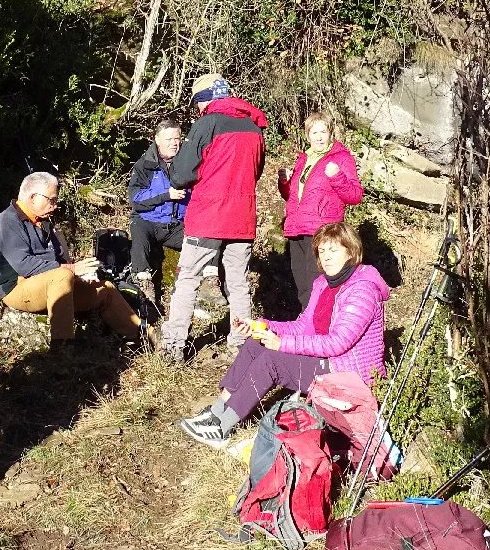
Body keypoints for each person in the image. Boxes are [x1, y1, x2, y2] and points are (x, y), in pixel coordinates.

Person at [178, 222, 389, 449]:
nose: (326, 257)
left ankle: (223, 428)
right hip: (322, 358)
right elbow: (301, 327)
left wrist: (282, 344)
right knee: (255, 344)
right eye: (322, 250)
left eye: (334, 250)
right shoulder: (322, 285)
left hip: (344, 371)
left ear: (350, 251)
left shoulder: (362, 289)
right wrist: (262, 326)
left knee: (273, 360)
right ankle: (218, 411)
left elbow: (337, 343)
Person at [161, 75, 267, 360]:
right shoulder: (254, 127)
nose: (197, 109)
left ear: (205, 99)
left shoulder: (207, 123)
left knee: (188, 279)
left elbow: (181, 174)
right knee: (238, 282)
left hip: (208, 215)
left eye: (197, 102)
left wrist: (199, 176)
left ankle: (174, 347)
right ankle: (242, 347)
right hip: (242, 217)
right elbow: (256, 172)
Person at [0, 171, 156, 348]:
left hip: (51, 283)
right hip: (17, 288)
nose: (54, 206)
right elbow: (25, 266)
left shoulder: (43, 220)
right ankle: (62, 347)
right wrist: (72, 269)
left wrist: (80, 275)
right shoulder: (7, 222)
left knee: (105, 289)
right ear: (32, 197)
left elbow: (59, 258)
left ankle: (145, 335)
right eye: (51, 200)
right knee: (62, 275)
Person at [283, 112, 364, 309]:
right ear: (307, 136)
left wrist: (337, 177)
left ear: (330, 134)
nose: (319, 137)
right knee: (302, 286)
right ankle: (306, 331)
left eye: (323, 131)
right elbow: (294, 198)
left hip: (322, 231)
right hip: (296, 229)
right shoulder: (304, 160)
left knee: (316, 286)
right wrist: (283, 182)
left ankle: (319, 333)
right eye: (314, 132)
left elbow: (355, 196)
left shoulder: (341, 158)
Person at [127, 119, 190, 302]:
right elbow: (136, 198)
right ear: (157, 139)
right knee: (138, 230)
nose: (174, 143)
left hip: (177, 224)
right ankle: (143, 283)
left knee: (203, 240)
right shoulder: (145, 165)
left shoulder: (188, 163)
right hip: (149, 221)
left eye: (177, 138)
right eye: (169, 139)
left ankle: (204, 282)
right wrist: (165, 194)